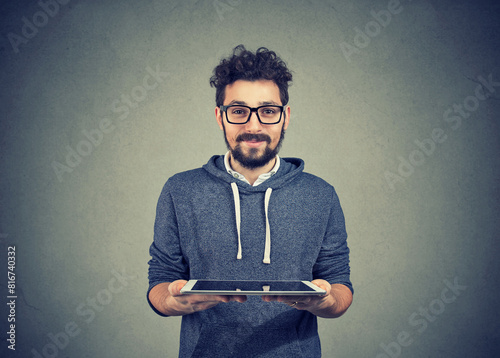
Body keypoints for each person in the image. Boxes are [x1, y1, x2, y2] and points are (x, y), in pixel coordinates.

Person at [147, 45, 353, 357]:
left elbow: (339, 284)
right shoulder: (181, 190)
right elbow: (161, 278)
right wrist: (170, 301)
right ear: (220, 117)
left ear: (285, 117)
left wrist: (327, 301)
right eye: (239, 111)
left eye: (268, 111)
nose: (253, 126)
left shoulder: (321, 194)